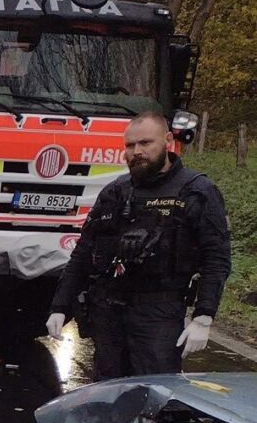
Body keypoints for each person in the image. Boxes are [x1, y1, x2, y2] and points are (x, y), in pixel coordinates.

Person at [46, 112, 233, 379]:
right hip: (108, 312)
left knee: (154, 395)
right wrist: (60, 306)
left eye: (146, 143)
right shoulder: (115, 192)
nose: (137, 152)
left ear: (168, 141)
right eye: (130, 146)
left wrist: (204, 316)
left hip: (159, 313)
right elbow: (84, 252)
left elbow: (216, 258)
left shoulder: (197, 192)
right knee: (108, 395)